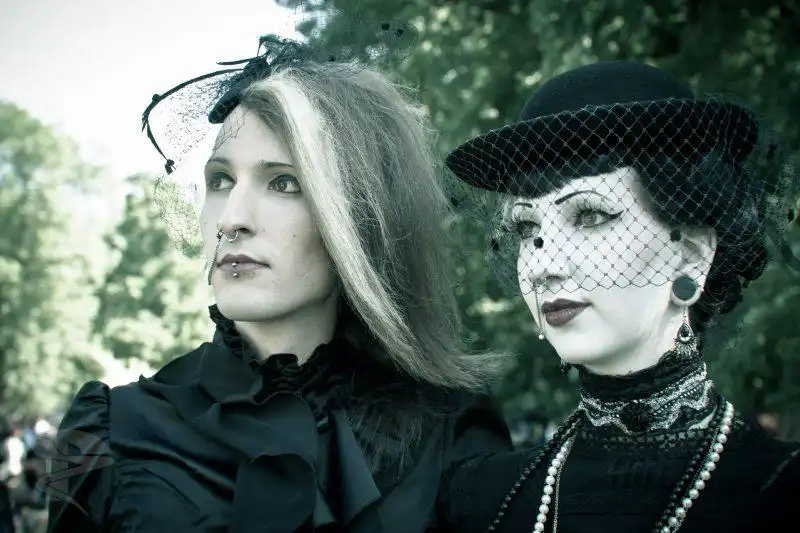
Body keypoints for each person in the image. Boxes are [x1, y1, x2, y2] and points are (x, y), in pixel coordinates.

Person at [46, 27, 511, 533]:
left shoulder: (453, 432)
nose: (231, 219)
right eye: (220, 180)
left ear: (360, 218)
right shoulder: (103, 431)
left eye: (283, 183)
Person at [439, 60, 800, 532]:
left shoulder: (780, 491)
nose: (544, 265)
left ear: (691, 255)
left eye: (590, 217)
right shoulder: (482, 501)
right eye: (527, 228)